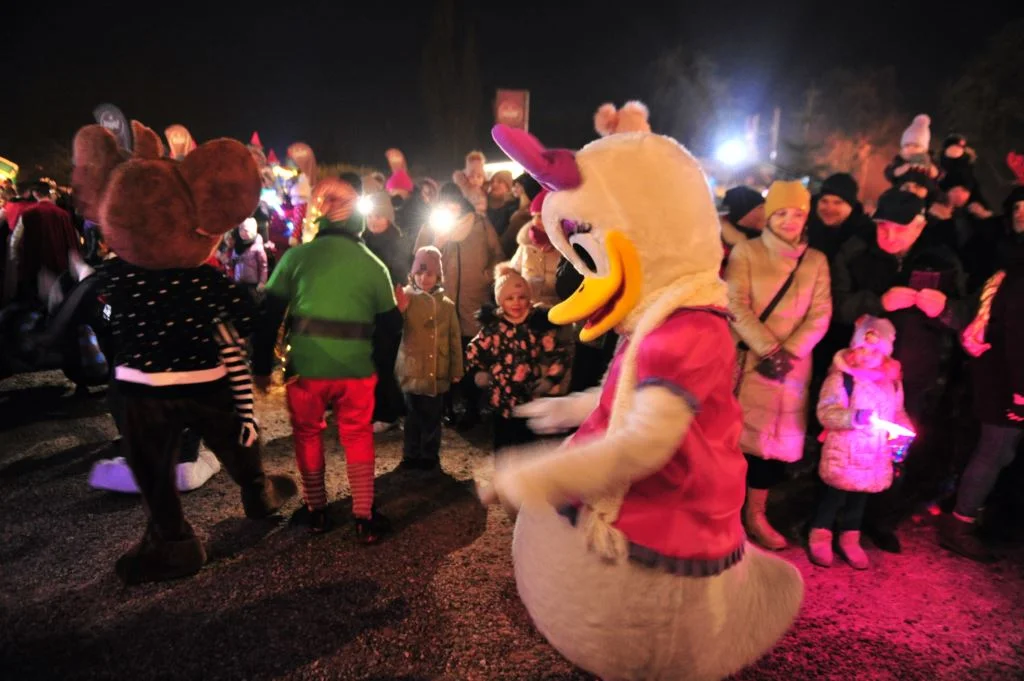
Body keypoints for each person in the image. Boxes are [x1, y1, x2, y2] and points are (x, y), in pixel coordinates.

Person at [480, 101, 803, 681]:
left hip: (661, 524)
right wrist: (571, 408)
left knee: (646, 650)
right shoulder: (661, 317)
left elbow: (645, 443)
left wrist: (533, 476)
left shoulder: (688, 331)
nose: (587, 273)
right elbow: (623, 395)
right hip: (634, 518)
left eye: (586, 247)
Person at [69, 121, 296, 584]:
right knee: (234, 441)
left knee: (152, 466)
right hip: (205, 380)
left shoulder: (114, 277)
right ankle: (258, 492)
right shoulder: (207, 279)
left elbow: (77, 311)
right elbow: (250, 315)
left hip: (139, 389)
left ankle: (173, 542)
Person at [253, 177, 398, 540]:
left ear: (318, 217)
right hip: (356, 371)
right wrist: (381, 369)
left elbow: (268, 314)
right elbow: (391, 324)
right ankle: (364, 516)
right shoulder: (372, 263)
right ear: (357, 221)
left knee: (307, 433)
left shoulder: (296, 257)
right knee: (357, 434)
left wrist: (259, 368)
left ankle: (316, 510)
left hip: (306, 369)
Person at [832, 188, 970, 553]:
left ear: (920, 225)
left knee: (897, 449)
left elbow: (966, 315)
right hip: (861, 374)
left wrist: (945, 309)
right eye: (883, 228)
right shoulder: (858, 252)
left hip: (914, 378)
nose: (889, 237)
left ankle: (881, 517)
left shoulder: (941, 258)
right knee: (850, 441)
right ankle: (837, 515)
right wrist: (878, 301)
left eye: (900, 229)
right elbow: (838, 304)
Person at [726, 180, 832, 550]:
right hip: (752, 362)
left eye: (798, 213)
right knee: (736, 443)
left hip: (792, 369)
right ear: (769, 216)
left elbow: (821, 314)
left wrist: (790, 354)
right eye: (782, 212)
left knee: (771, 450)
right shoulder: (747, 252)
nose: (790, 220)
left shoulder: (816, 260)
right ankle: (726, 516)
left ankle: (757, 516)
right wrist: (769, 350)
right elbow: (735, 305)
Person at [939, 184, 1024, 562]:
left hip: (1003, 372)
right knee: (995, 450)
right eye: (1018, 210)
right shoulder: (1014, 265)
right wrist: (1021, 392)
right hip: (1005, 375)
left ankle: (978, 516)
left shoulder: (1013, 260)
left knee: (1001, 452)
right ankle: (960, 523)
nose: (1022, 216)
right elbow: (1016, 331)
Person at [810, 315, 912, 569]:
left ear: (886, 354)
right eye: (862, 348)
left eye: (875, 351)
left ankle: (850, 536)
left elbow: (898, 412)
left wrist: (903, 429)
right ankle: (820, 532)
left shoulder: (893, 384)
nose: (867, 355)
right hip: (844, 453)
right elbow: (826, 412)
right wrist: (854, 417)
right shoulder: (842, 379)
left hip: (874, 456)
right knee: (834, 495)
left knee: (860, 498)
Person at [414, 182, 504, 429]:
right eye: (445, 204)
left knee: (471, 356)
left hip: (472, 301)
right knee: (442, 358)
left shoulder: (479, 224)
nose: (450, 209)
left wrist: (488, 275)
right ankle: (446, 409)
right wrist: (438, 243)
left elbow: (498, 254)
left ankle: (472, 408)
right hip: (440, 303)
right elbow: (418, 262)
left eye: (454, 203)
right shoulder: (431, 228)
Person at [466, 264, 568, 450]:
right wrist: (479, 373)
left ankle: (523, 477)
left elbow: (557, 353)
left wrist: (551, 379)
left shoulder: (536, 325)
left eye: (522, 297)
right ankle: (503, 477)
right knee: (503, 445)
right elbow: (474, 350)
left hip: (529, 398)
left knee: (526, 446)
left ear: (529, 299)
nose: (516, 302)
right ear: (500, 301)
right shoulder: (493, 328)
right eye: (510, 298)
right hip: (500, 398)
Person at [395, 246, 463, 471]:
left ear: (438, 276)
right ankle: (411, 454)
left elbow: (454, 339)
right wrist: (399, 309)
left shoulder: (447, 305)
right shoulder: (406, 299)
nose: (424, 278)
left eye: (430, 274)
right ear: (413, 275)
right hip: (412, 369)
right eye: (420, 273)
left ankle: (429, 455)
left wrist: (456, 369)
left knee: (433, 417)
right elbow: (394, 328)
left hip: (437, 370)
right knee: (412, 417)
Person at [362, 190, 411, 433]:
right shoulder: (361, 241)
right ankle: (384, 407)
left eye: (379, 215)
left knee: (385, 359)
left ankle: (388, 412)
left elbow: (401, 274)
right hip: (365, 308)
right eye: (370, 215)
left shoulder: (397, 242)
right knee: (372, 360)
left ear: (389, 218)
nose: (374, 220)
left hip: (389, 307)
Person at [509, 190, 561, 306]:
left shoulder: (566, 249)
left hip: (559, 314)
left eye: (541, 216)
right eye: (534, 216)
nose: (536, 221)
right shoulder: (526, 246)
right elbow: (512, 273)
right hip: (529, 312)